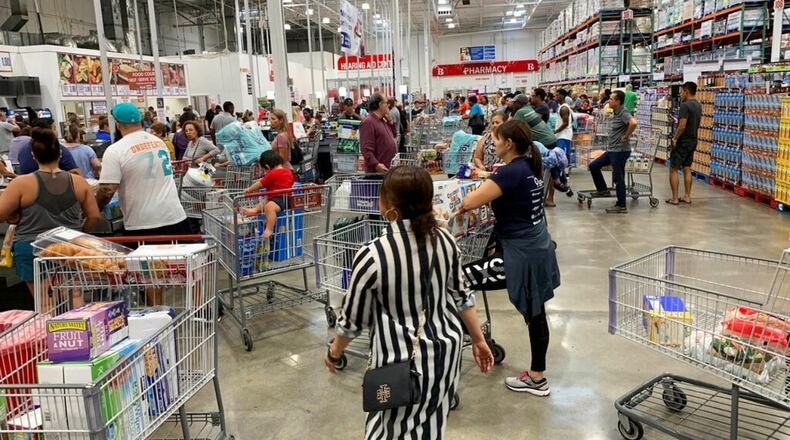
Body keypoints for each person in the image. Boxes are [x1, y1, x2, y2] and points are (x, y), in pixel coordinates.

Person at [325, 166, 494, 438]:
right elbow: (462, 295)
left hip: (398, 363)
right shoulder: (445, 241)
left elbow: (353, 320)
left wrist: (334, 351)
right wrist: (478, 339)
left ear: (388, 205)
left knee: (389, 430)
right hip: (445, 356)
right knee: (431, 426)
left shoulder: (372, 255)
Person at [460, 119, 559, 397]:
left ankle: (534, 377)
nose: (493, 143)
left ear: (509, 143)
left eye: (496, 138)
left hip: (521, 256)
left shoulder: (510, 173)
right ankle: (537, 374)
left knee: (457, 280)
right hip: (537, 248)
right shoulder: (529, 167)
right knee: (536, 313)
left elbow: (469, 202)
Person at [0, 126, 101, 297]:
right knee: (74, 296)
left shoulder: (20, 184)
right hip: (70, 248)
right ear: (60, 154)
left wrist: (14, 215)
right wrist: (79, 234)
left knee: (45, 302)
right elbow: (94, 216)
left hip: (32, 250)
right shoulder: (79, 182)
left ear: (33, 155)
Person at [95, 102, 189, 234]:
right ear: (140, 122)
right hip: (176, 217)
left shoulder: (115, 150)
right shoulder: (159, 142)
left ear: (117, 124)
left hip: (143, 224)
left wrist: (94, 208)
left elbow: (107, 190)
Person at [588, 90, 638, 214]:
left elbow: (633, 123)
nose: (608, 101)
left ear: (618, 101)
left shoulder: (623, 112)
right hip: (612, 150)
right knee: (593, 166)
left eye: (611, 99)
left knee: (618, 178)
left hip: (620, 151)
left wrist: (626, 136)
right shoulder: (616, 112)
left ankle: (621, 205)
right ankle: (603, 190)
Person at [241, 150, 296, 238]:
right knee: (265, 202)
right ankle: (254, 210)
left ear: (267, 167)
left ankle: (269, 228)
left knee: (269, 207)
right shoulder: (288, 172)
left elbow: (260, 184)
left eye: (264, 170)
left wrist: (249, 189)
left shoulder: (273, 173)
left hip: (280, 199)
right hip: (286, 198)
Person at [668, 81, 702, 205]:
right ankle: (687, 196)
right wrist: (676, 121)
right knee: (687, 167)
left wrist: (675, 138)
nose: (680, 94)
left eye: (681, 91)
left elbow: (682, 126)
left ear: (686, 92)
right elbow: (690, 122)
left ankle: (675, 198)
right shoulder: (698, 105)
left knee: (673, 169)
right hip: (693, 140)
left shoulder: (685, 105)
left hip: (683, 141)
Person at [17, 119, 81, 176]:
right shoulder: (57, 148)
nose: (56, 132)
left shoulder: (23, 150)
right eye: (54, 128)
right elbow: (75, 173)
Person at [359, 93, 397, 173]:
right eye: (386, 103)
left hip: (387, 170)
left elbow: (394, 135)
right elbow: (366, 149)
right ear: (380, 105)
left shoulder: (383, 120)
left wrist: (390, 121)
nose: (388, 105)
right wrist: (376, 164)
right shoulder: (368, 122)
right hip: (377, 173)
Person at [554, 90, 574, 161]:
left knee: (562, 157)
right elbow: (572, 119)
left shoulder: (564, 108)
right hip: (563, 134)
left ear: (562, 96)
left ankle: (566, 166)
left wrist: (555, 131)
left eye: (557, 95)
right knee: (564, 155)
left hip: (563, 135)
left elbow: (565, 123)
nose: (555, 97)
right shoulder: (564, 107)